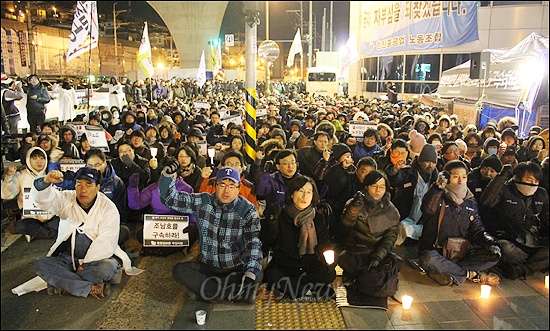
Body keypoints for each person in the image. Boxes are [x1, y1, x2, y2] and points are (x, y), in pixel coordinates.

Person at [31, 167, 143, 298]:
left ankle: (63, 283)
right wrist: (46, 181)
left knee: (105, 268)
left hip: (97, 260)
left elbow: (106, 242)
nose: (83, 189)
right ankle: (89, 287)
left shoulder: (108, 207)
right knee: (41, 264)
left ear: (97, 187)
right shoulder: (68, 198)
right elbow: (46, 202)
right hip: (68, 257)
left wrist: (84, 264)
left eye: (89, 184)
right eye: (79, 184)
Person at [160, 164, 263, 303]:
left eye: (232, 186)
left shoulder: (247, 210)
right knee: (179, 270)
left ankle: (209, 292)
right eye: (222, 185)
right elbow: (170, 199)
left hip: (234, 268)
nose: (226, 191)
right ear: (215, 185)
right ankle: (228, 294)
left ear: (238, 188)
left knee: (256, 272)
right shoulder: (203, 201)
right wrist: (167, 177)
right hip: (208, 267)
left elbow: (253, 243)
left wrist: (249, 274)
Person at [418, 160, 501, 287]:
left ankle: (449, 272)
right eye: (456, 177)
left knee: (494, 255)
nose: (461, 181)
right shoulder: (438, 195)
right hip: (437, 252)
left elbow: (478, 229)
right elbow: (427, 208)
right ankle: (473, 275)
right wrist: (437, 187)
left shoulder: (470, 201)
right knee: (428, 259)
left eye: (464, 177)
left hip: (461, 253)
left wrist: (491, 243)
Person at [261, 176, 336, 301]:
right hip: (285, 266)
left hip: (310, 266)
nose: (304, 196)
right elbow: (268, 242)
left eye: (308, 192)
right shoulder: (281, 215)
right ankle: (309, 290)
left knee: (330, 273)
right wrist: (271, 222)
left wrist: (329, 258)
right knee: (272, 275)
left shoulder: (317, 217)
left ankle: (300, 290)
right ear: (291, 194)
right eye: (300, 191)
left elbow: (323, 242)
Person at [480, 162, 549, 280]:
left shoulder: (541, 194)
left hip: (533, 238)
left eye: (536, 181)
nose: (533, 184)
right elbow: (486, 201)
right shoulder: (505, 190)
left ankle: (521, 270)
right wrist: (501, 177)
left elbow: (547, 217)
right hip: (509, 238)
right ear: (518, 177)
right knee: (505, 249)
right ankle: (536, 263)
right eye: (529, 179)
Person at [338, 170, 401, 297]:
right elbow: (346, 224)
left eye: (382, 187)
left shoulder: (391, 210)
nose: (378, 190)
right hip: (356, 252)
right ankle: (366, 279)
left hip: (376, 253)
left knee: (395, 262)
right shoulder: (355, 203)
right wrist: (353, 209)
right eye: (374, 186)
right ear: (367, 186)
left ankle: (362, 280)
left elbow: (390, 237)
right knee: (344, 260)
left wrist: (378, 256)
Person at [1, 147, 59, 241]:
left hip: (51, 216)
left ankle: (41, 233)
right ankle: (49, 233)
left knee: (62, 221)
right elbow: (7, 195)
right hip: (30, 217)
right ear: (28, 160)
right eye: (35, 158)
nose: (39, 162)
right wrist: (8, 177)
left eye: (42, 158)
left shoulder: (52, 174)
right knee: (21, 226)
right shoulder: (20, 176)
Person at [386, 144, 439, 245]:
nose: (430, 165)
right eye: (427, 161)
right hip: (406, 214)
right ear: (420, 161)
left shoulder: (436, 178)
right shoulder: (408, 172)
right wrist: (395, 170)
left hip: (425, 218)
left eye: (433, 162)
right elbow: (395, 180)